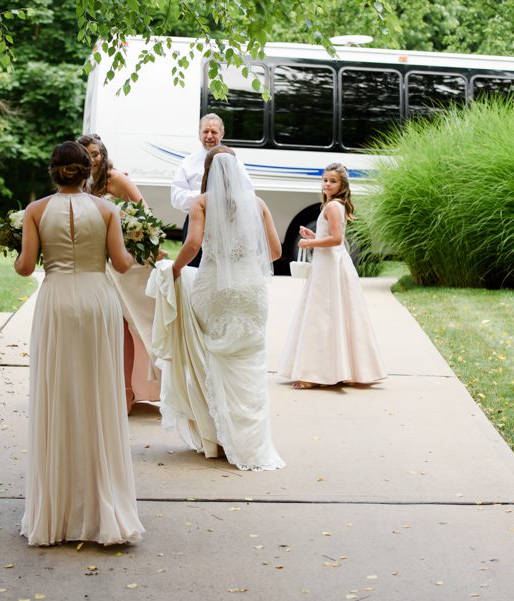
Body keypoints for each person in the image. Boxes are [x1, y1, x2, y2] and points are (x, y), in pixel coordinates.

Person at [16, 141, 144, 546]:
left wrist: (17, 248)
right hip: (96, 301)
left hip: (56, 302)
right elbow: (121, 263)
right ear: (88, 171)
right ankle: (101, 507)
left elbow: (25, 267)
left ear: (53, 171)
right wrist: (133, 244)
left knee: (58, 392)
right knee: (97, 392)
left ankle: (57, 514)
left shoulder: (35, 211)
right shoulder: (107, 210)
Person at [149, 145, 285, 471]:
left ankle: (217, 438)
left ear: (207, 172)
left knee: (211, 360)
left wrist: (175, 270)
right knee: (250, 365)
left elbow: (193, 243)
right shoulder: (258, 204)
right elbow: (276, 252)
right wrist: (245, 263)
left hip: (214, 291)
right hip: (250, 291)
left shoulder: (202, 202)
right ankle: (252, 445)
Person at [278, 163, 387, 389]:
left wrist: (309, 243)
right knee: (333, 314)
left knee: (322, 315)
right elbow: (331, 236)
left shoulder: (333, 207)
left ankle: (314, 373)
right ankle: (335, 369)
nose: (327, 184)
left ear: (342, 185)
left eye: (333, 181)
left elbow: (337, 239)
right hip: (329, 263)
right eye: (325, 180)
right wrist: (314, 236)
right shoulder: (332, 205)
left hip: (329, 267)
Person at [77, 134, 160, 410]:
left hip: (124, 265)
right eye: (86, 154)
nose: (91, 159)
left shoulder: (115, 180)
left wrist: (144, 244)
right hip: (94, 263)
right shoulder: (79, 184)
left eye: (95, 153)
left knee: (127, 324)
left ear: (103, 154)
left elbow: (145, 214)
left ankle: (127, 391)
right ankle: (99, 389)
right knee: (101, 325)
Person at [170, 113, 225, 268]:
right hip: (195, 224)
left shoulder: (235, 163)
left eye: (214, 132)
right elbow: (176, 198)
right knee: (191, 272)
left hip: (225, 226)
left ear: (222, 134)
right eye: (205, 131)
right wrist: (205, 197)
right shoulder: (187, 163)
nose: (209, 136)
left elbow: (246, 192)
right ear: (199, 134)